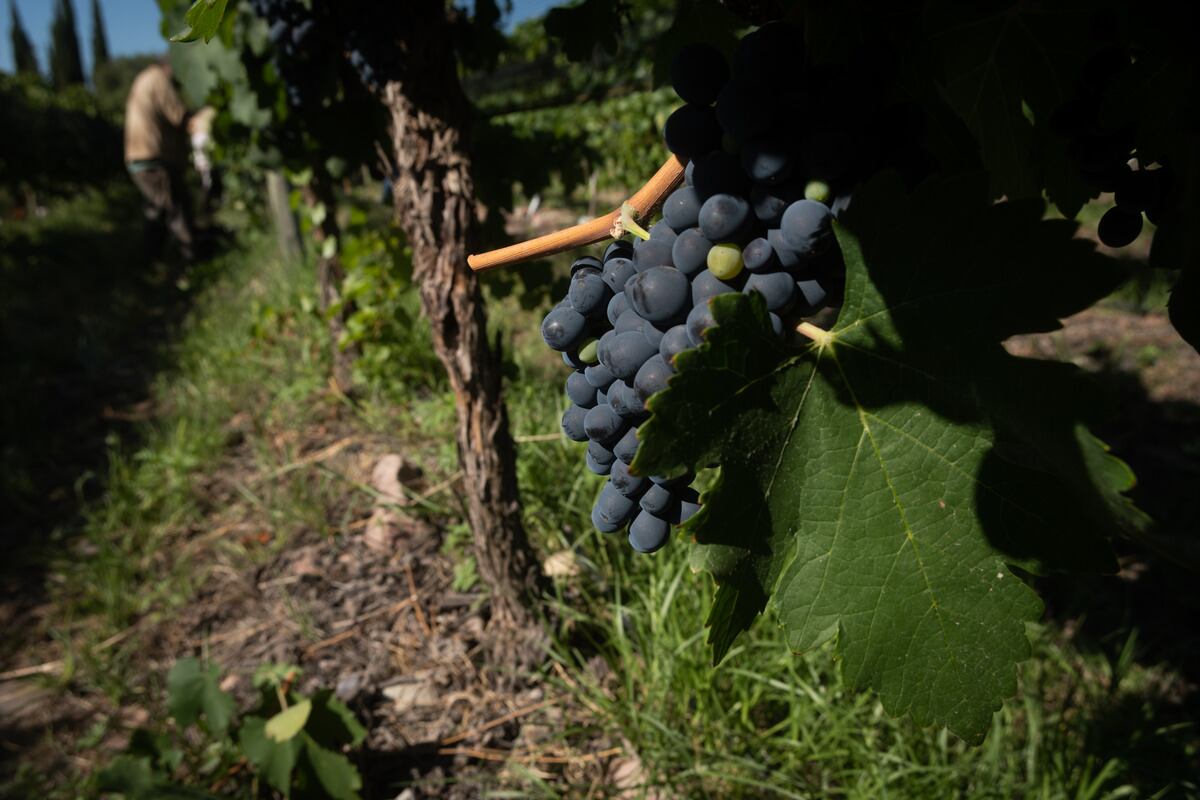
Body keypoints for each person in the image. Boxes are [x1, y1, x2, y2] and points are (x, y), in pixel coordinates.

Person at [124, 57, 196, 263]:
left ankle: (152, 261)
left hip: (138, 157)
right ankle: (189, 259)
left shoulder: (143, 78)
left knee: (157, 210)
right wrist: (201, 121)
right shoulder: (158, 79)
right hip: (152, 157)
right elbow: (178, 115)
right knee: (175, 209)